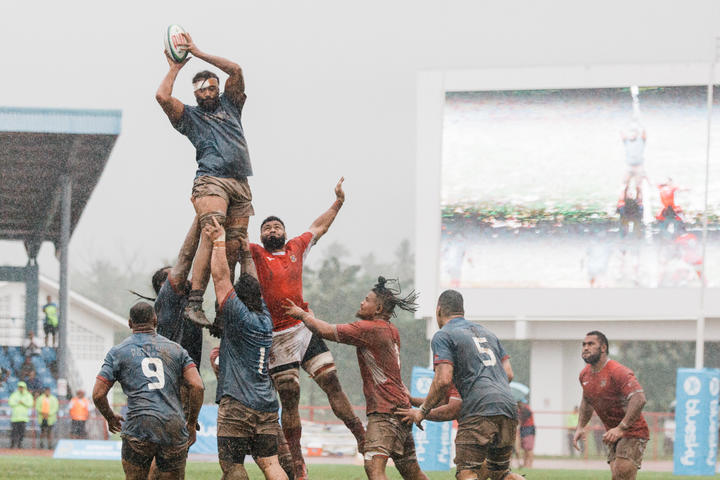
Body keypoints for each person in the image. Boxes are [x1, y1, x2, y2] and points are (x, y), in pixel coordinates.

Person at [249, 178, 365, 479]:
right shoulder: (254, 254)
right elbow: (231, 237)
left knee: (332, 382)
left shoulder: (296, 247)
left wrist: (338, 202)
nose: (272, 229)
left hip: (303, 328)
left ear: (285, 232)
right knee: (289, 393)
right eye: (267, 227)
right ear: (260, 235)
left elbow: (319, 227)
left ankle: (360, 435)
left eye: (277, 226)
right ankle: (298, 461)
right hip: (276, 337)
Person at [284, 276, 428, 480]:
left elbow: (325, 330)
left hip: (385, 412)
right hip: (400, 410)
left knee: (374, 468)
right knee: (412, 472)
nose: (362, 302)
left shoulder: (369, 329)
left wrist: (302, 315)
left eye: (367, 300)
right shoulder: (391, 330)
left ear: (378, 309)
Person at [156, 31, 254, 327]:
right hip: (211, 180)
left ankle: (226, 306)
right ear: (196, 93)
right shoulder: (190, 116)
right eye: (202, 90)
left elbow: (235, 70)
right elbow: (162, 97)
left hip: (241, 181)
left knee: (235, 247)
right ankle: (195, 299)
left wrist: (197, 52)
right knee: (212, 234)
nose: (208, 93)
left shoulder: (231, 105)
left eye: (212, 88)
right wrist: (176, 66)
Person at [401, 289, 523, 480]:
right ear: (462, 310)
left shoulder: (444, 335)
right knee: (500, 473)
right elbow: (508, 373)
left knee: (467, 472)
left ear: (438, 310)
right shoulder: (487, 333)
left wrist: (422, 411)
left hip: (479, 410)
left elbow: (443, 380)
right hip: (508, 407)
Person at [204, 217, 288, 480]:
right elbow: (252, 284)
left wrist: (219, 241)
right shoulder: (265, 319)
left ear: (237, 299)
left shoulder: (238, 316)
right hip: (266, 405)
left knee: (233, 467)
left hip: (237, 405)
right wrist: (246, 255)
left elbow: (220, 278)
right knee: (271, 464)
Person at [92, 302, 204, 480]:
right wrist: (191, 423)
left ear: (130, 323)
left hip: (139, 425)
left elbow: (98, 394)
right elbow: (197, 386)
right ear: (155, 320)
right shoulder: (176, 350)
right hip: (172, 425)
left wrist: (110, 416)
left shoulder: (118, 352)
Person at [572, 331, 649, 480]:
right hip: (612, 434)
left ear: (603, 348)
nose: (585, 348)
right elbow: (587, 401)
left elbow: (639, 399)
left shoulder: (618, 371)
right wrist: (580, 427)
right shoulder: (584, 375)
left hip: (633, 431)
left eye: (591, 344)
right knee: (619, 477)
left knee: (620, 476)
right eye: (584, 344)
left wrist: (621, 428)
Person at [151, 216, 203, 367]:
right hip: (173, 376)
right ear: (162, 287)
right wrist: (199, 216)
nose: (182, 278)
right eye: (173, 277)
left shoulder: (190, 301)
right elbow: (186, 257)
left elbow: (202, 269)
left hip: (190, 380)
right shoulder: (166, 301)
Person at [8, 381, 33, 449]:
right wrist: (18, 402)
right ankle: (12, 444)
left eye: (22, 387)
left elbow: (30, 404)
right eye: (20, 387)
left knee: (22, 432)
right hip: (15, 417)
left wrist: (23, 402)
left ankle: (19, 444)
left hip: (23, 418)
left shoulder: (28, 395)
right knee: (14, 432)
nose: (21, 388)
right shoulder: (14, 394)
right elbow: (10, 402)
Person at [517, 400, 535, 468]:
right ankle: (525, 465)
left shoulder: (526, 409)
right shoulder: (523, 409)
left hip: (529, 429)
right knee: (525, 449)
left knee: (529, 448)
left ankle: (530, 465)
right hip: (524, 429)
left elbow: (521, 419)